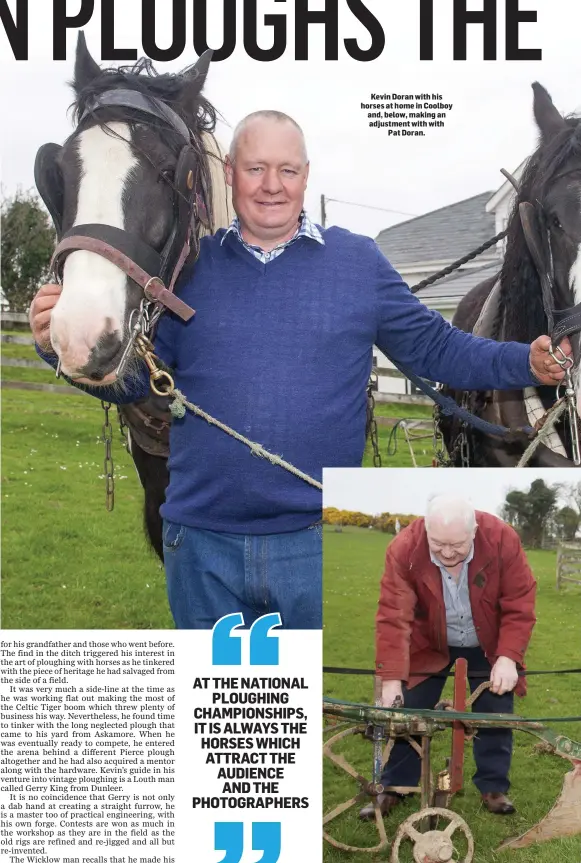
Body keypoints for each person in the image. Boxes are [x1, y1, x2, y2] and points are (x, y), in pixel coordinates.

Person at [31, 111, 566, 631]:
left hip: (309, 545)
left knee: (292, 712)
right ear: (231, 174)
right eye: (255, 168)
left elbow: (437, 349)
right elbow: (134, 384)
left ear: (305, 176)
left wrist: (526, 361)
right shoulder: (189, 270)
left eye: (287, 170)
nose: (271, 185)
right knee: (218, 715)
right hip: (202, 544)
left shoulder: (358, 263)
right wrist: (59, 349)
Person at [361, 495, 536, 819]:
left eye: (457, 545)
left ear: (474, 531)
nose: (447, 552)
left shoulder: (501, 539)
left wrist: (508, 657)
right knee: (408, 710)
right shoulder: (404, 548)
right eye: (438, 544)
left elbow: (519, 601)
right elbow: (392, 616)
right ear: (426, 530)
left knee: (495, 714)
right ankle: (397, 785)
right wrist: (392, 679)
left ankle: (493, 787)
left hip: (488, 641)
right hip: (430, 642)